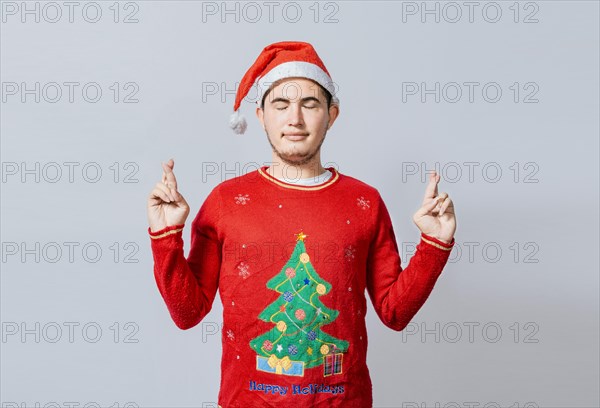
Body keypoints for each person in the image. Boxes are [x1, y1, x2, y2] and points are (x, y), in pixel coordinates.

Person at [146, 41, 456, 408]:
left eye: (309, 104)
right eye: (281, 104)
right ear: (261, 114)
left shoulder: (365, 202)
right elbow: (187, 313)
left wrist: (433, 246)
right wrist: (166, 237)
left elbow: (394, 313)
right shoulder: (225, 202)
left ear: (332, 114)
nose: (295, 118)